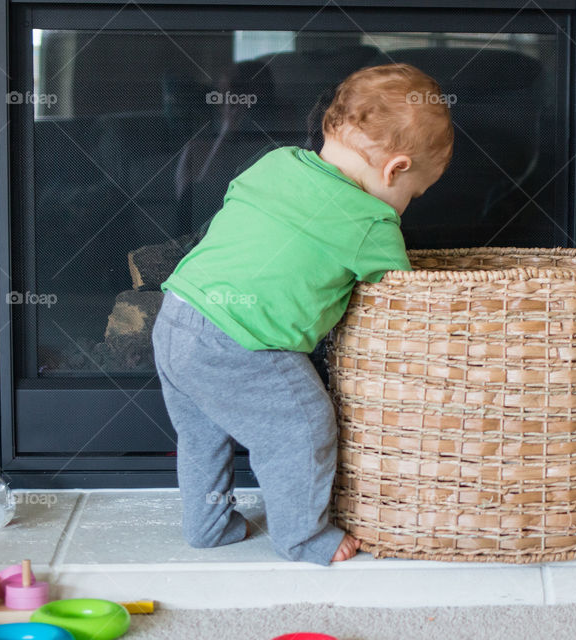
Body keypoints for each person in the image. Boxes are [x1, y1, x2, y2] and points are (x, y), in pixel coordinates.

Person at [151, 63, 454, 565]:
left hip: (178, 314)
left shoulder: (276, 162)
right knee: (304, 427)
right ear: (395, 170)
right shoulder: (372, 222)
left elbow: (236, 206)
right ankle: (303, 537)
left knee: (202, 435)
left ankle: (206, 526)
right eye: (413, 195)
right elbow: (407, 299)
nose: (406, 206)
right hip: (242, 342)